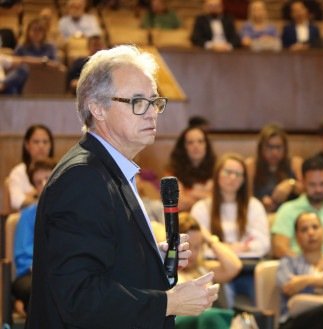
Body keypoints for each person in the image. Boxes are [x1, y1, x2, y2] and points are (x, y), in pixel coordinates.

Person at [26, 45, 219, 329]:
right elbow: (79, 296)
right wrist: (170, 302)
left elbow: (105, 260)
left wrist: (150, 257)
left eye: (155, 101)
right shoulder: (83, 178)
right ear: (97, 108)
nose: (152, 112)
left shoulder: (108, 168)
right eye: (138, 101)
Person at [190, 154, 270, 304]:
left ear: (244, 179)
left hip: (249, 268)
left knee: (256, 297)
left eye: (238, 174)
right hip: (213, 268)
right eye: (228, 172)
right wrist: (227, 249)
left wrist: (239, 249)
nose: (233, 177)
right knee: (222, 294)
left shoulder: (254, 206)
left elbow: (263, 244)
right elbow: (197, 247)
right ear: (217, 174)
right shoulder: (201, 208)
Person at [271, 156, 323, 259]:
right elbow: (279, 247)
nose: (318, 189)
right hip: (298, 267)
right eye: (312, 184)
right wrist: (304, 266)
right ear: (302, 182)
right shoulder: (288, 209)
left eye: (322, 184)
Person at [175, 213, 242, 329]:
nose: (193, 253)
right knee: (209, 316)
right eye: (188, 246)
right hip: (179, 323)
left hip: (206, 324)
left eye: (197, 247)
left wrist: (210, 240)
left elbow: (234, 267)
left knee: (212, 317)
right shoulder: (165, 272)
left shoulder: (203, 269)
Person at [12, 158, 56, 312]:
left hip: (60, 272)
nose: (44, 184)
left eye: (48, 178)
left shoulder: (69, 212)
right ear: (34, 187)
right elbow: (22, 256)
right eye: (38, 182)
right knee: (43, 290)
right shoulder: (27, 215)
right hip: (31, 275)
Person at [245, 124, 303, 213]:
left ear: (285, 148)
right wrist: (259, 203)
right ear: (261, 148)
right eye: (269, 147)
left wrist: (291, 184)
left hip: (291, 213)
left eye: (278, 147)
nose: (274, 152)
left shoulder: (295, 163)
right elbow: (246, 196)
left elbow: (307, 190)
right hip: (261, 213)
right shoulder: (251, 165)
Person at [166, 125, 216, 212]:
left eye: (200, 141)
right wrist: (206, 195)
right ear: (183, 147)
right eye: (190, 142)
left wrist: (191, 193)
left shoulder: (217, 169)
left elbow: (219, 201)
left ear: (206, 146)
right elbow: (178, 203)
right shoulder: (172, 171)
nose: (196, 146)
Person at [6, 124, 54, 212]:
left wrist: (31, 196)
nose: (41, 146)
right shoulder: (19, 171)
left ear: (51, 145)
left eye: (45, 142)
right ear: (27, 145)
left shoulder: (58, 169)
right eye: (36, 142)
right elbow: (16, 201)